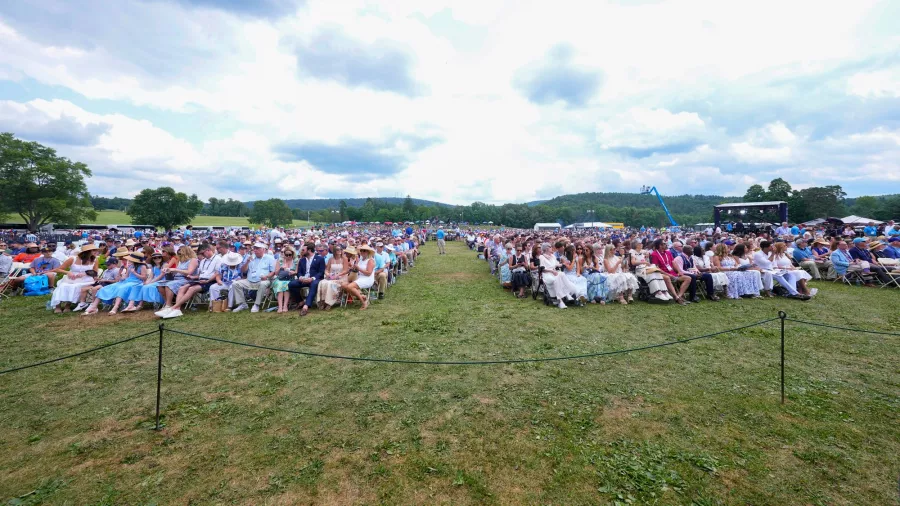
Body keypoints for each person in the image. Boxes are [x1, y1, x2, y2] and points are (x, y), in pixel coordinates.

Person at [158, 244, 223, 318]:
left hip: (210, 281)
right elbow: (200, 275)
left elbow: (217, 273)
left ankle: (173, 308)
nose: (201, 255)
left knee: (191, 289)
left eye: (202, 253)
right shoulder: (203, 261)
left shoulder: (218, 259)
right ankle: (177, 310)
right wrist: (193, 277)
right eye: (200, 253)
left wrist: (208, 280)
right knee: (182, 288)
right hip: (200, 280)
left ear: (208, 250)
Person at [83, 252, 148, 315]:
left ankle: (115, 307)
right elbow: (127, 276)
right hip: (127, 281)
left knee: (121, 288)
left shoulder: (142, 267)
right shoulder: (130, 266)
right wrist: (121, 277)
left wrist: (134, 273)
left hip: (136, 282)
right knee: (106, 288)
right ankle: (94, 306)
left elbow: (144, 278)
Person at [50, 244, 99, 313]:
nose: (96, 252)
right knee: (63, 286)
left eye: (96, 250)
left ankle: (68, 305)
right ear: (87, 251)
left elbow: (95, 272)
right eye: (94, 250)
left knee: (76, 286)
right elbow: (58, 269)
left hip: (86, 279)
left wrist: (86, 273)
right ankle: (58, 306)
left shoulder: (95, 260)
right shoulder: (73, 259)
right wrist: (68, 272)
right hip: (72, 278)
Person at [230, 242, 277, 313]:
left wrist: (266, 276)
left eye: (257, 249)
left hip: (263, 280)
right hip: (249, 280)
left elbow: (273, 272)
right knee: (235, 284)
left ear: (263, 250)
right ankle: (242, 304)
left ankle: (256, 304)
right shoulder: (251, 257)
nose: (255, 250)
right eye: (254, 249)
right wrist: (247, 262)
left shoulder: (269, 258)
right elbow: (243, 270)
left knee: (263, 284)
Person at [288, 242, 326, 315]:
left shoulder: (319, 258)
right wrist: (301, 278)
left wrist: (312, 278)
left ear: (308, 250)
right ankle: (300, 302)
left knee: (314, 284)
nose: (301, 251)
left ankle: (305, 306)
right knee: (291, 284)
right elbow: (299, 272)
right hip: (304, 279)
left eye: (303, 250)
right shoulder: (302, 260)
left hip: (315, 279)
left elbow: (321, 272)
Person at [537, 242, 577, 309]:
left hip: (555, 273)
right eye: (550, 247)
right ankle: (561, 300)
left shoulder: (553, 256)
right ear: (547, 248)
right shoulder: (541, 257)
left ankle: (566, 294)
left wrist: (564, 263)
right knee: (557, 278)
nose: (552, 248)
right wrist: (551, 271)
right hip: (547, 274)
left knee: (562, 274)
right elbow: (542, 269)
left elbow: (557, 264)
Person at [317, 245, 351, 310]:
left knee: (330, 284)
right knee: (322, 283)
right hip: (331, 277)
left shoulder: (344, 259)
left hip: (341, 277)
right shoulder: (331, 259)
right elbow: (327, 269)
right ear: (335, 251)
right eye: (338, 249)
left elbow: (346, 270)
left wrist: (338, 275)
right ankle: (323, 302)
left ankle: (329, 302)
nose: (339, 251)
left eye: (340, 249)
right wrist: (327, 274)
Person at [341, 244, 375, 309]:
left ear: (368, 252)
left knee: (350, 287)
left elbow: (369, 273)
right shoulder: (361, 260)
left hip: (367, 279)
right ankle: (362, 296)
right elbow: (357, 269)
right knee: (344, 285)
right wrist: (354, 268)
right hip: (360, 278)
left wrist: (359, 268)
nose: (362, 252)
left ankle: (363, 302)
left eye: (364, 251)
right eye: (361, 250)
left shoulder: (370, 260)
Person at [271, 246, 297, 313]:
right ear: (284, 255)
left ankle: (285, 306)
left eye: (290, 255)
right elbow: (276, 273)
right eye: (286, 255)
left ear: (292, 254)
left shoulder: (295, 261)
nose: (288, 256)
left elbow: (297, 272)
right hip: (280, 279)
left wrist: (292, 272)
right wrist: (281, 268)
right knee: (280, 284)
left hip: (290, 279)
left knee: (286, 285)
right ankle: (280, 306)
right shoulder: (280, 261)